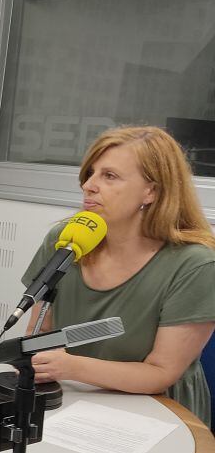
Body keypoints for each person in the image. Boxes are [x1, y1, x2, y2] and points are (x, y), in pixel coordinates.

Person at [21, 126, 215, 425]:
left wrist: (70, 367)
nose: (88, 185)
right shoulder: (67, 239)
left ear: (152, 191)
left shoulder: (194, 265)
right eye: (91, 173)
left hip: (158, 410)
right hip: (72, 394)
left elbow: (160, 373)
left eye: (109, 176)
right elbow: (40, 334)